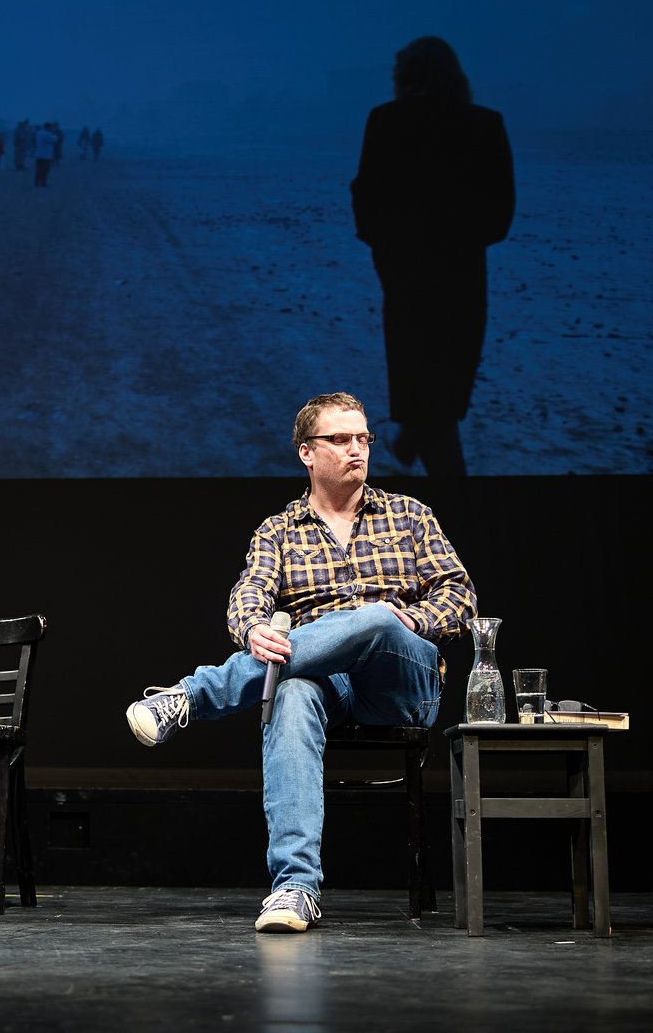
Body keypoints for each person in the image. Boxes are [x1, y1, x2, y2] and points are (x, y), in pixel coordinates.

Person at [125, 392, 475, 933]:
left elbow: (460, 595)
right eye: (340, 439)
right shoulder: (278, 530)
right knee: (288, 693)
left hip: (401, 676)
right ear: (306, 453)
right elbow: (249, 594)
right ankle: (294, 888)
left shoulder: (410, 516)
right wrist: (255, 629)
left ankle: (195, 696)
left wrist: (414, 621)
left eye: (363, 438)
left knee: (376, 618)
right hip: (327, 680)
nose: (357, 448)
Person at [349, 36, 515, 477]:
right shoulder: (485, 124)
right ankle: (423, 456)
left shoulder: (385, 122)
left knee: (425, 399)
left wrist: (391, 252)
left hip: (404, 282)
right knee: (441, 399)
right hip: (462, 284)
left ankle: (418, 451)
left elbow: (367, 202)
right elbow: (500, 215)